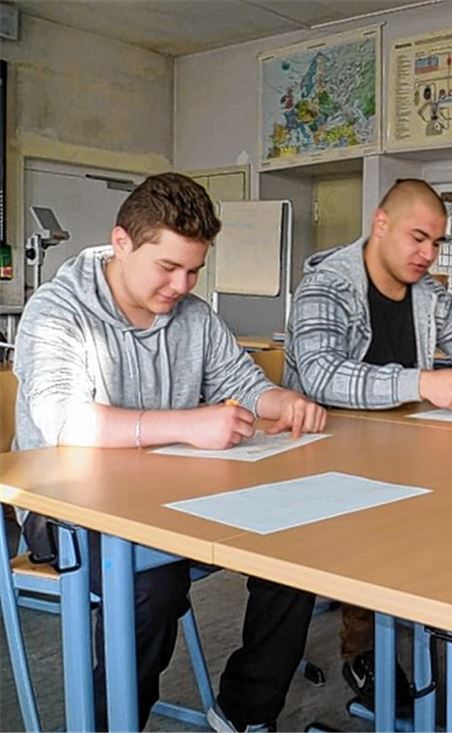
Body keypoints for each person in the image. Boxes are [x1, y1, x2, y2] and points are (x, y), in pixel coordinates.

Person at [13, 172, 326, 733]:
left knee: (298, 542)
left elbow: (242, 379)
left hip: (168, 495)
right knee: (150, 581)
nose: (183, 285)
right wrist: (189, 424)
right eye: (168, 268)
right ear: (122, 242)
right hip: (62, 506)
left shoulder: (195, 317)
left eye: (195, 270)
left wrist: (282, 400)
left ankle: (245, 711)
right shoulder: (56, 311)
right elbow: (62, 421)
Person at [285, 178, 452, 711]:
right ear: (381, 225)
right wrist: (420, 383)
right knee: (368, 526)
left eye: (437, 243)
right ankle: (363, 651)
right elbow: (317, 375)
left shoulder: (428, 295)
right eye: (417, 239)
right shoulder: (326, 286)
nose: (427, 255)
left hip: (405, 447)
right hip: (328, 456)